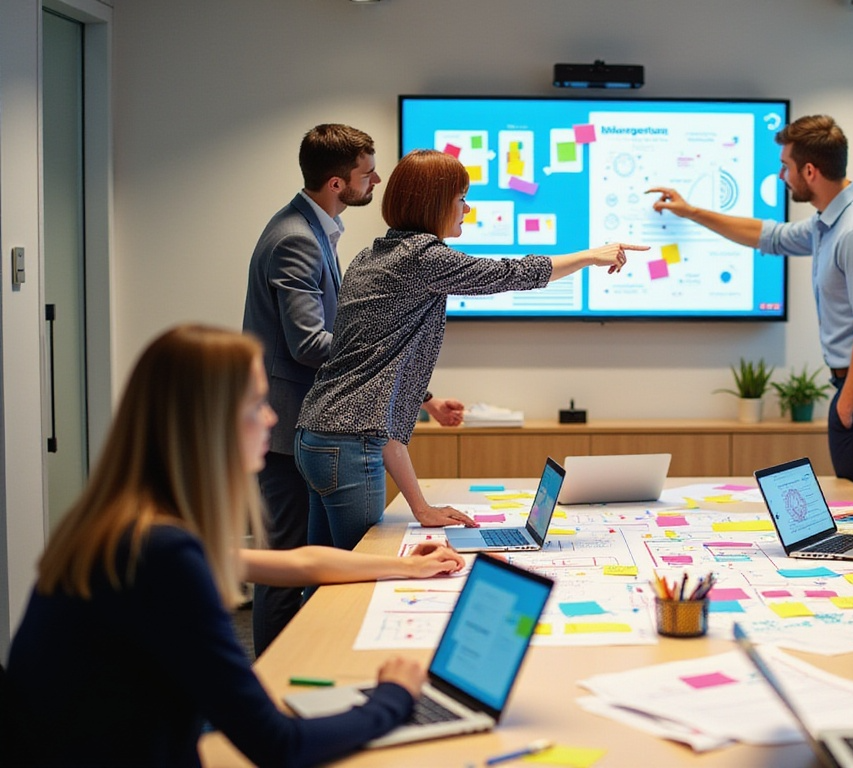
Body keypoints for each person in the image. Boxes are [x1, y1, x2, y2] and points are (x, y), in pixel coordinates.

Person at [5, 325, 457, 767]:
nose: (272, 418)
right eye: (256, 404)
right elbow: (278, 745)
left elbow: (298, 564)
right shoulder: (161, 553)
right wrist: (394, 698)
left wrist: (408, 569)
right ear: (207, 423)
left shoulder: (126, 524)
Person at [296, 149, 639, 550]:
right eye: (461, 199)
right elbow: (510, 274)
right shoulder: (421, 257)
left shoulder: (372, 255)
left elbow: (371, 378)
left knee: (326, 578)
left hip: (318, 435)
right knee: (361, 576)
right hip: (350, 444)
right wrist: (590, 256)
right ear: (435, 203)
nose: (467, 209)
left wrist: (421, 502)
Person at [242, 124, 466, 655]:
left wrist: (423, 395)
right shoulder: (296, 237)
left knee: (315, 563)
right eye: (368, 172)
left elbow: (364, 342)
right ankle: (274, 672)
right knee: (292, 564)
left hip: (316, 420)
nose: (378, 180)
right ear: (339, 183)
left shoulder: (322, 231)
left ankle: (299, 662)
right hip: (296, 425)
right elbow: (310, 344)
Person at [647, 115, 853, 499]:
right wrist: (692, 212)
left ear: (810, 170)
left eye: (785, 167)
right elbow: (768, 236)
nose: (782, 176)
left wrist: (847, 404)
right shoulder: (829, 223)